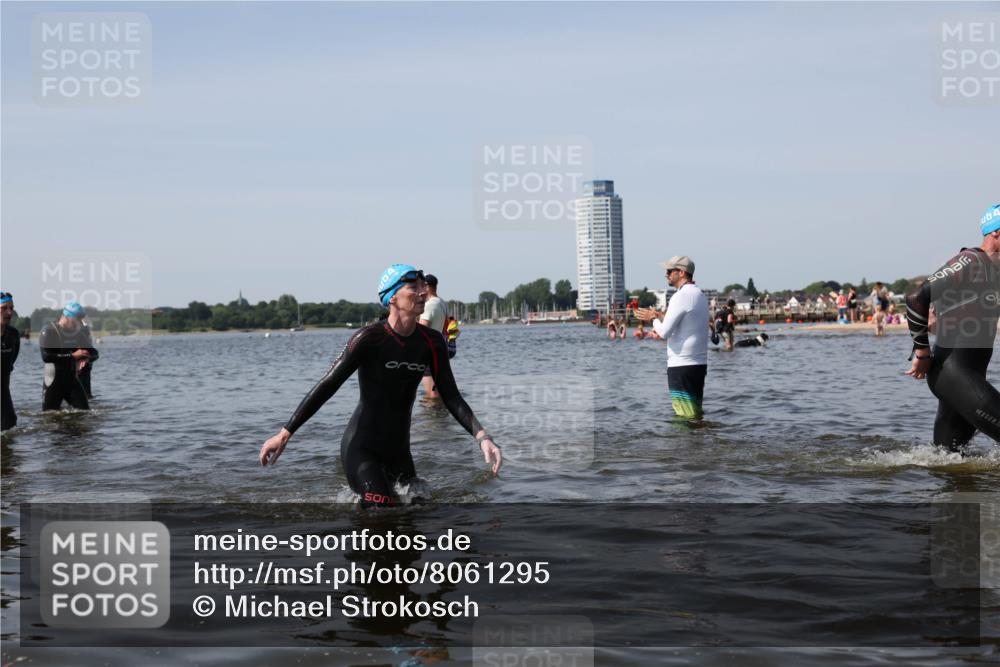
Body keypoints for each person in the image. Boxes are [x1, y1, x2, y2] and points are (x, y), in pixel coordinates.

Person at [259, 264, 502, 507]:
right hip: (361, 448)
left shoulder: (432, 342)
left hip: (399, 452)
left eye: (422, 286)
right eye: (413, 287)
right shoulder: (368, 338)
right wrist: (285, 433)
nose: (422, 292)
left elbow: (451, 396)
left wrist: (483, 437)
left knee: (422, 510)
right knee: (381, 506)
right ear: (392, 297)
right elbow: (328, 385)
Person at [904, 204, 1000, 451]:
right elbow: (916, 298)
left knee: (949, 462)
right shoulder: (971, 260)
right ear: (996, 232)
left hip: (969, 377)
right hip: (952, 372)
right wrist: (922, 352)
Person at [634, 255, 710, 421]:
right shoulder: (699, 294)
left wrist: (652, 319)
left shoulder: (680, 296)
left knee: (684, 417)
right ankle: (701, 437)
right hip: (698, 364)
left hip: (681, 365)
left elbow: (664, 333)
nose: (666, 274)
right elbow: (685, 323)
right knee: (695, 412)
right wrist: (660, 315)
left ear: (681, 272)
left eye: (669, 271)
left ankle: (689, 439)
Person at [39, 302, 99, 411]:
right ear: (67, 317)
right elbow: (46, 357)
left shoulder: (77, 333)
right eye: (78, 319)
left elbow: (94, 353)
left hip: (72, 381)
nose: (80, 323)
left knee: (85, 413)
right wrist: (73, 356)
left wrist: (86, 358)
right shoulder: (49, 330)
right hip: (53, 383)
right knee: (49, 417)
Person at [419, 274, 447, 399]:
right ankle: (440, 411)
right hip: (440, 351)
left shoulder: (429, 305)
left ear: (427, 287)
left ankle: (431, 412)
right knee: (439, 392)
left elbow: (421, 330)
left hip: (429, 353)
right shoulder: (442, 302)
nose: (419, 290)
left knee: (431, 395)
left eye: (421, 286)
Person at [1, 292, 20, 431]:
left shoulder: (13, 334)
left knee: (10, 428)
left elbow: (10, 363)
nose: (9, 312)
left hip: (3, 393)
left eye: (11, 308)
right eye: (4, 308)